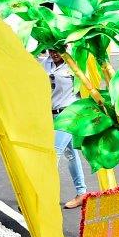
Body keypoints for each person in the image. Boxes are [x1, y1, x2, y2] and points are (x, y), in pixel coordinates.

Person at [40, 49, 87, 209]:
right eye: (51, 49)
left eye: (58, 49)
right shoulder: (46, 63)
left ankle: (44, 197)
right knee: (71, 154)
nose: (54, 53)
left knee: (54, 153)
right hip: (52, 114)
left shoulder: (73, 64)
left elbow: (86, 87)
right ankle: (82, 193)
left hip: (69, 114)